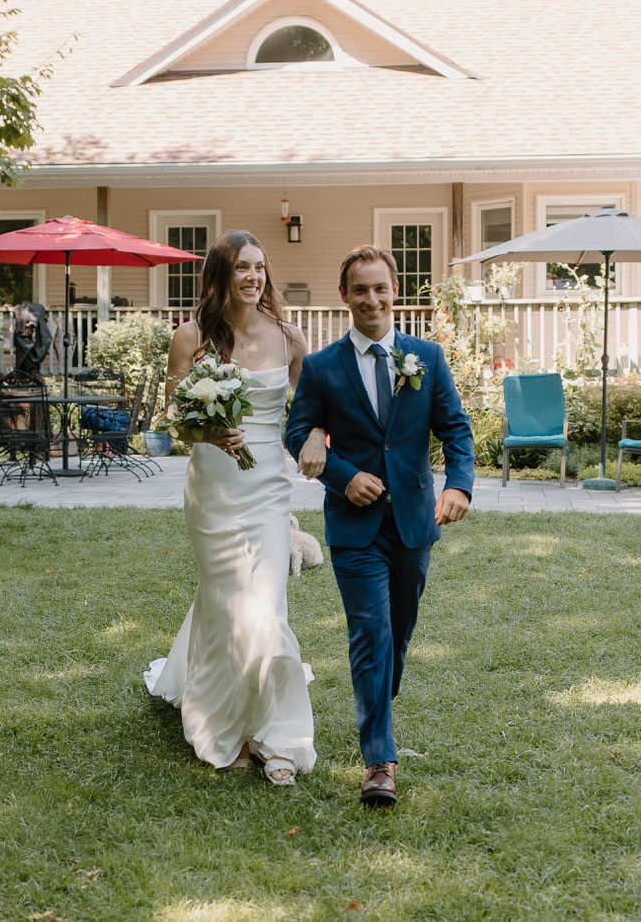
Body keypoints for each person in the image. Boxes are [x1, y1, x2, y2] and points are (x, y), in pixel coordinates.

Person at [284, 245, 475, 807]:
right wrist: (343, 476)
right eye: (360, 289)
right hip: (354, 526)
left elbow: (457, 430)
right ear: (344, 296)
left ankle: (377, 708)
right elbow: (297, 434)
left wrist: (459, 484)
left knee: (399, 630)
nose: (372, 299)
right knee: (370, 633)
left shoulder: (428, 358)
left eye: (380, 288)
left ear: (396, 292)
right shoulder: (321, 367)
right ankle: (380, 762)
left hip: (415, 521)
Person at [143, 230, 327, 787]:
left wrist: (317, 434)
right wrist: (207, 429)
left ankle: (276, 733)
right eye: (242, 268)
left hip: (268, 491)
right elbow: (173, 424)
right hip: (213, 493)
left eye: (260, 267)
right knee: (225, 605)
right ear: (221, 275)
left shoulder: (289, 338)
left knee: (265, 610)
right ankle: (226, 720)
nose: (254, 277)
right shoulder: (190, 337)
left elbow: (315, 407)